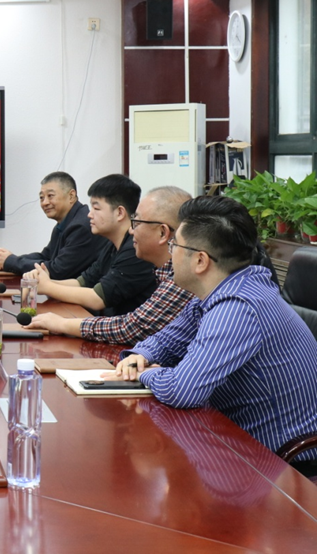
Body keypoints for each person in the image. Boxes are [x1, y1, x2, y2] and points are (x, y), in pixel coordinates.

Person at [107, 196, 317, 466]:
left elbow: (182, 390)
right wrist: (141, 356)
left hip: (279, 465)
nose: (170, 254)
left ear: (200, 260)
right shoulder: (222, 289)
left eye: (175, 245)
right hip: (232, 440)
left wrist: (146, 374)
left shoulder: (238, 307)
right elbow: (167, 340)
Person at [28, 186, 194, 343]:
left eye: (137, 222)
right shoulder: (115, 247)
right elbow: (85, 281)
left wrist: (61, 323)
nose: (131, 230)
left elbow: (132, 327)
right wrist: (46, 283)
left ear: (163, 232)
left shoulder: (182, 277)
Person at [28, 174, 157, 316]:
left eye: (96, 208)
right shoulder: (112, 245)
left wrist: (48, 287)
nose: (89, 215)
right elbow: (82, 282)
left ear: (120, 213)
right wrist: (44, 281)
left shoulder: (135, 249)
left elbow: (98, 298)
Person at [0, 172, 109, 279]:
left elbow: (57, 270)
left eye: (50, 196)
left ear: (71, 196)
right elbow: (45, 256)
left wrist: (11, 261)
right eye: (41, 198)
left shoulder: (81, 226)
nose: (45, 203)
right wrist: (8, 258)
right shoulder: (64, 223)